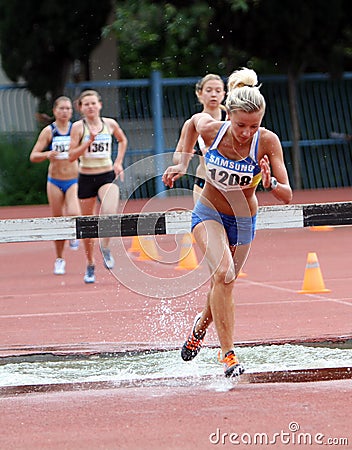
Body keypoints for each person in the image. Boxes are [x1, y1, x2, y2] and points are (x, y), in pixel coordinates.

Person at [162, 67, 292, 378]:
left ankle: (199, 328)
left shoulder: (267, 142)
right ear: (228, 116)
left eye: (253, 126)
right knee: (224, 272)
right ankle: (228, 355)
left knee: (225, 283)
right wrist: (181, 162)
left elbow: (287, 195)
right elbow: (191, 125)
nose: (246, 132)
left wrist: (271, 183)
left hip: (244, 219)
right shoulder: (212, 130)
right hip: (209, 211)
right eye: (240, 125)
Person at [68, 90, 128, 284]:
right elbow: (71, 156)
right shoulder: (78, 128)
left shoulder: (110, 124)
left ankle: (106, 247)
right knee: (87, 225)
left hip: (106, 175)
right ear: (81, 108)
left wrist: (118, 162)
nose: (90, 107)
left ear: (100, 105)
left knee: (110, 212)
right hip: (86, 178)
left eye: (93, 103)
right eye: (86, 104)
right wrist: (88, 143)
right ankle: (90, 263)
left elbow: (122, 139)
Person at [30, 96, 81, 275]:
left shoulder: (77, 129)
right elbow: (33, 155)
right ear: (55, 111)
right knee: (58, 219)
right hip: (55, 180)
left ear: (72, 111)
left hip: (73, 178)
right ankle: (59, 258)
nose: (65, 111)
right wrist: (47, 154)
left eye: (68, 108)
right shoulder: (49, 131)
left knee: (75, 212)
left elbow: (86, 149)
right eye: (61, 108)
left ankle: (74, 235)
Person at [173, 74, 227, 203]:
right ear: (199, 93)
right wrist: (184, 157)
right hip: (203, 182)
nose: (213, 94)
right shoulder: (191, 124)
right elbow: (176, 156)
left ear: (224, 94)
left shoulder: (232, 120)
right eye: (208, 90)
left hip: (230, 184)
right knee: (204, 223)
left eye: (218, 91)